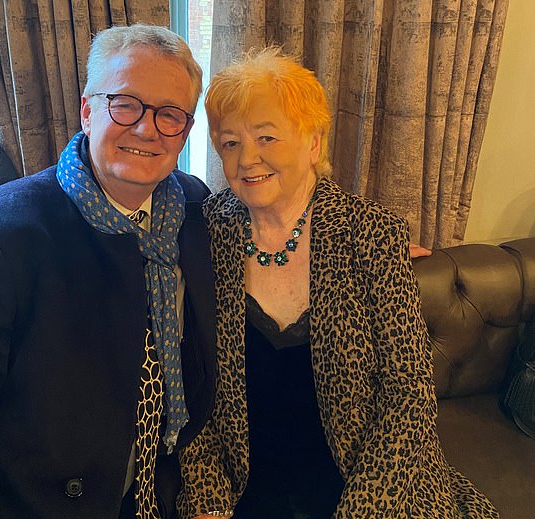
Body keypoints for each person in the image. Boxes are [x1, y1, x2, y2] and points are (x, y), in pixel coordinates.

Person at [0, 24, 216, 519]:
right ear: (88, 112)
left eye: (170, 114)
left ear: (186, 130)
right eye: (125, 103)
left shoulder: (195, 209)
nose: (146, 128)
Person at [177, 47, 498, 518]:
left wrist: (362, 509)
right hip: (247, 483)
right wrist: (207, 497)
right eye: (229, 142)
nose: (247, 159)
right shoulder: (205, 232)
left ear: (312, 143)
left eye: (267, 137)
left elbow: (408, 398)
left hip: (363, 482)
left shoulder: (372, 233)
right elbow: (192, 381)